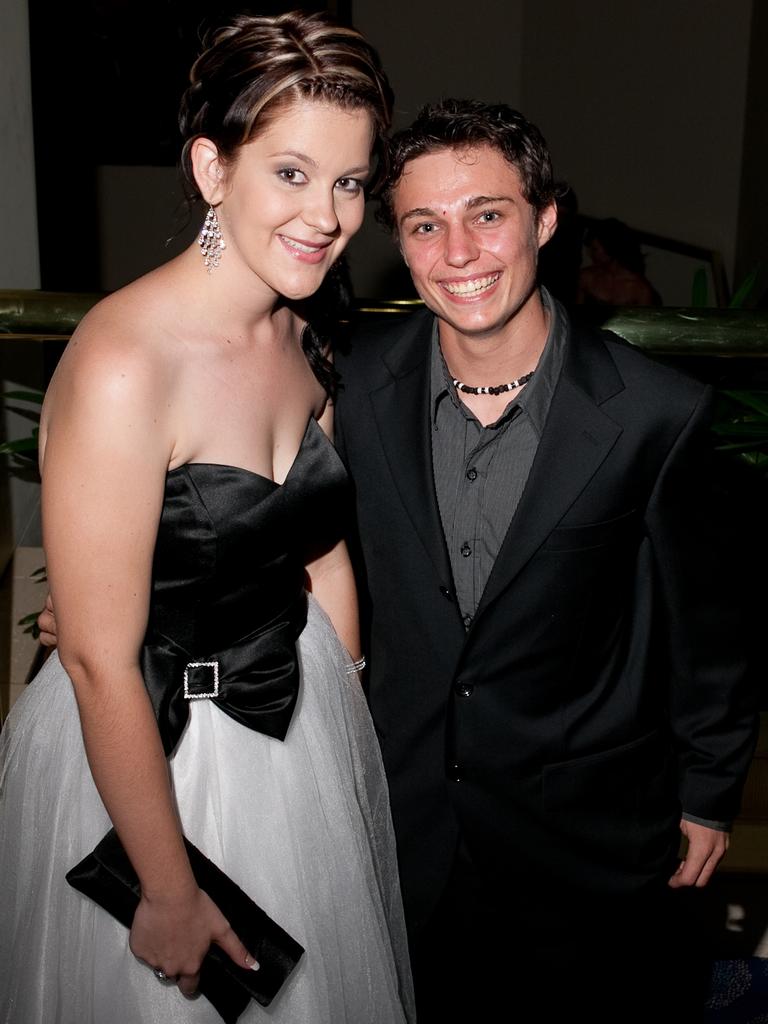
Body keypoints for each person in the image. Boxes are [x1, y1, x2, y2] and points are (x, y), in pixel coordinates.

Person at [0, 12, 415, 1024]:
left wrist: (344, 741)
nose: (327, 214)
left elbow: (320, 552)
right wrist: (168, 887)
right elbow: (98, 657)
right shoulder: (120, 362)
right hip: (153, 761)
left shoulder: (304, 333)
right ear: (211, 168)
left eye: (351, 182)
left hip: (294, 723)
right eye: (292, 173)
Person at [333, 99, 758, 1022]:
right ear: (398, 244)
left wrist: (711, 792)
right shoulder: (353, 384)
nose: (459, 252)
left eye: (487, 214)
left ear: (545, 218)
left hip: (585, 838)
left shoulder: (655, 413)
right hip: (401, 830)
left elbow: (708, 629)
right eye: (423, 224)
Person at [577, 215, 662, 306]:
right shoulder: (587, 277)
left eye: (595, 249)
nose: (590, 254)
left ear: (610, 247)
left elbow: (644, 319)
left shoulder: (639, 289)